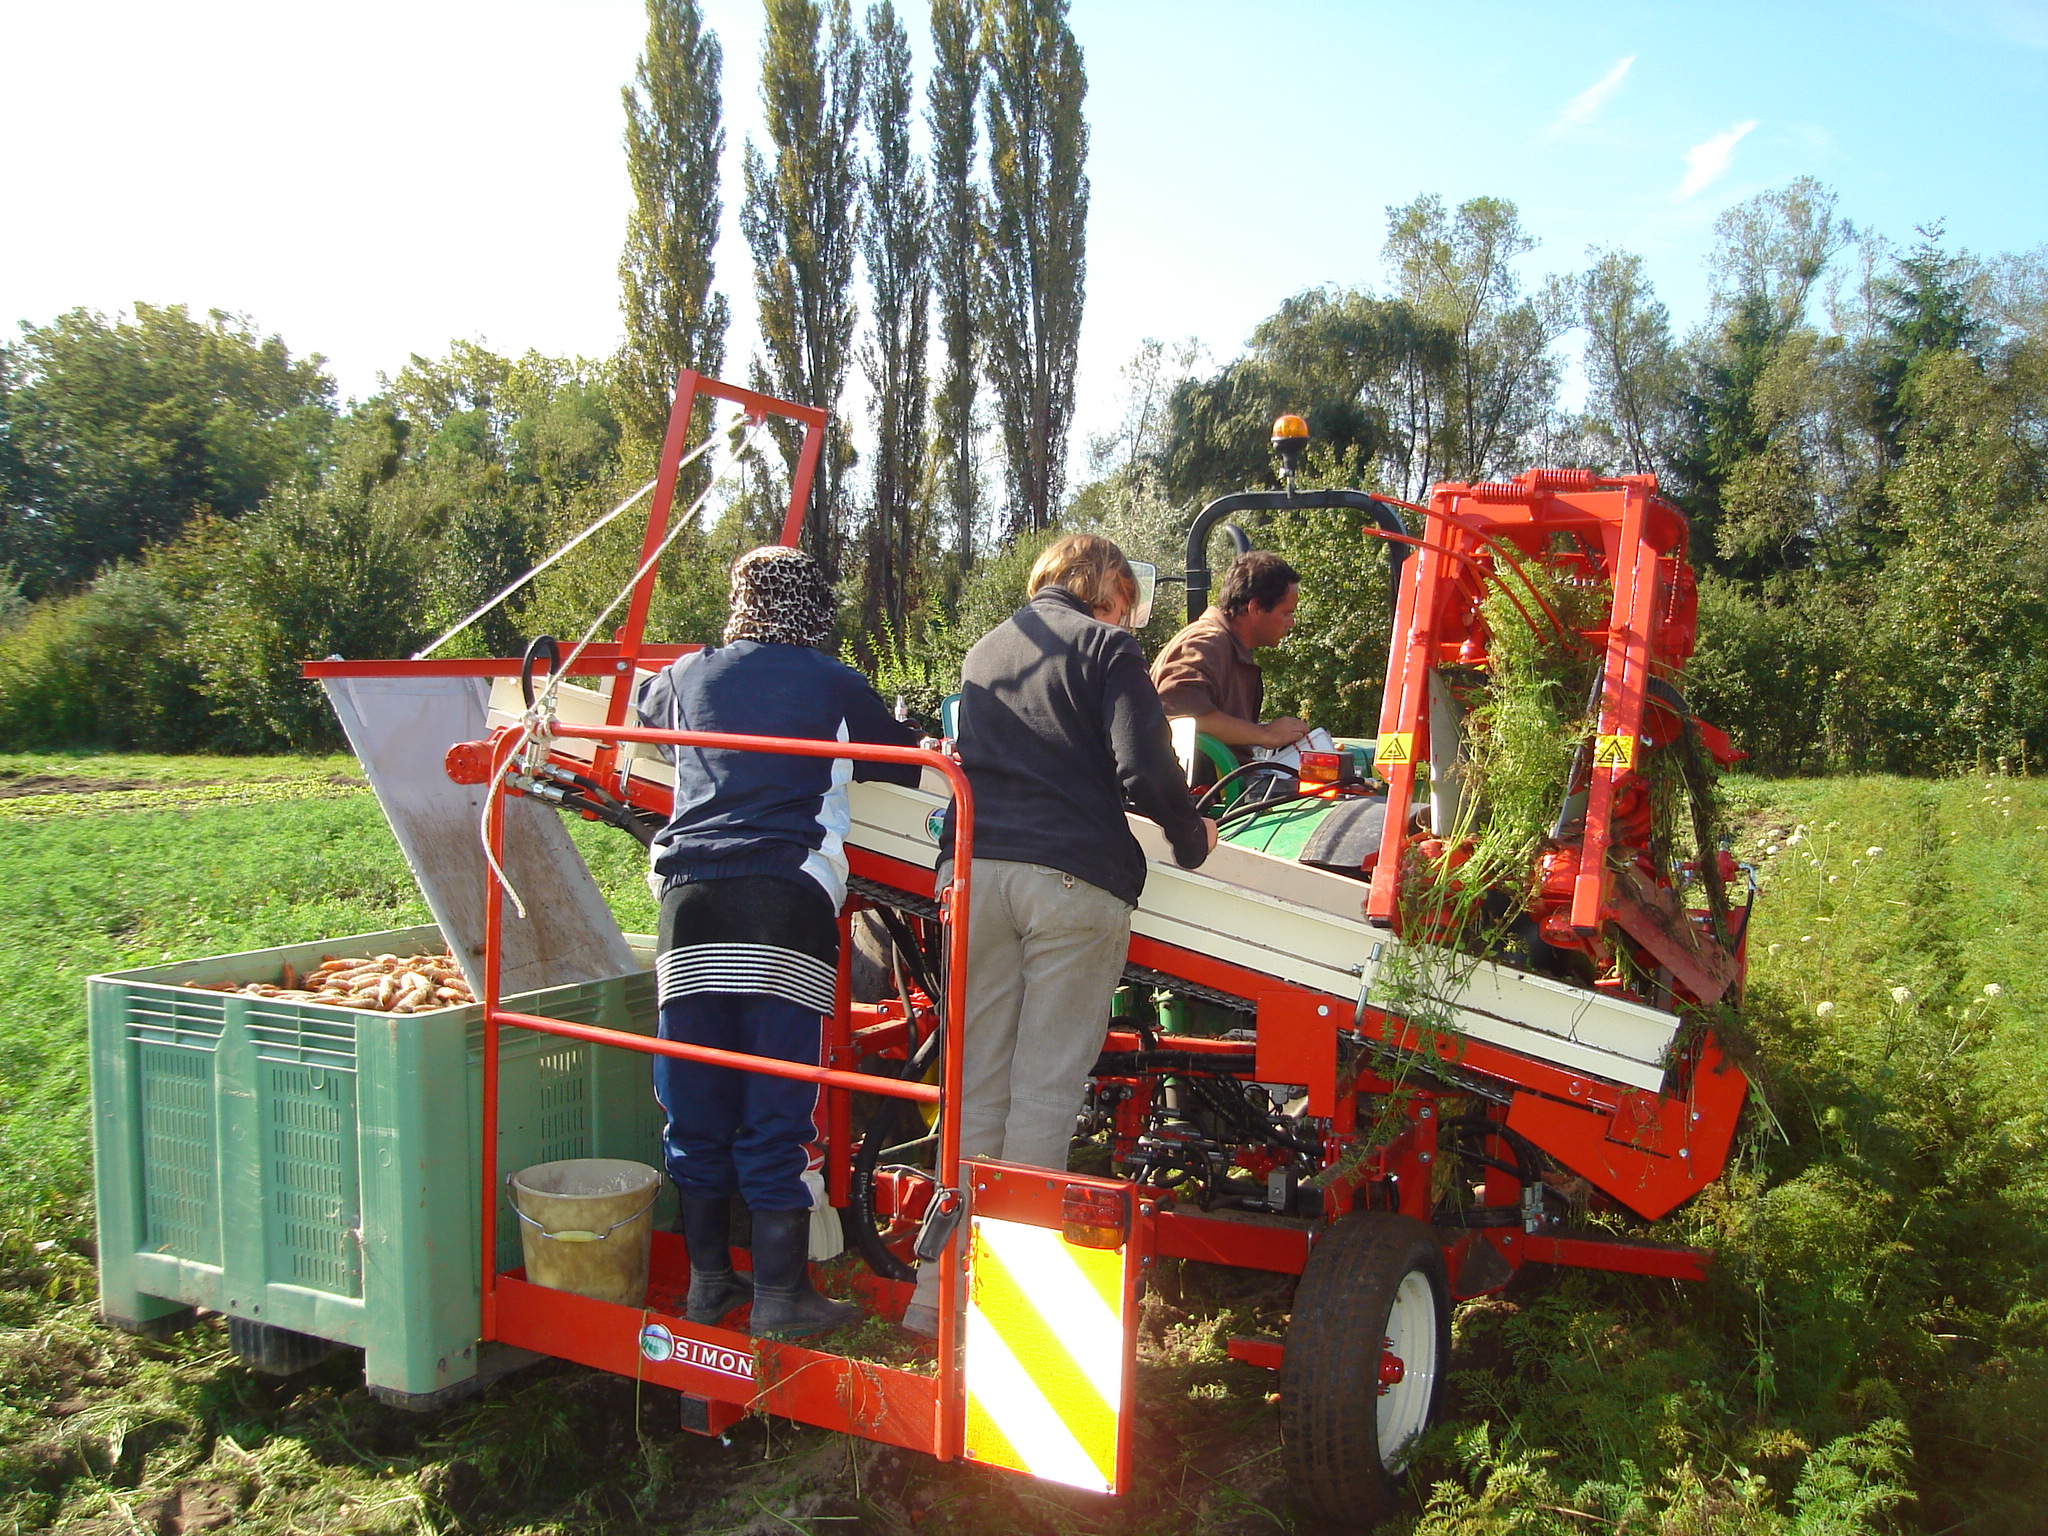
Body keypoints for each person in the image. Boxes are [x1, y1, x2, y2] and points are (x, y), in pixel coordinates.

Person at [905, 534, 1216, 1336]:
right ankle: (1007, 1315)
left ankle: (938, 1298)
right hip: (1071, 882)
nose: (1126, 614)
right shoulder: (1108, 648)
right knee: (1043, 1092)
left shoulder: (985, 649)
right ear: (1106, 586)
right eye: (1125, 598)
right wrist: (1191, 836)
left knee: (976, 1090)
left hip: (975, 875)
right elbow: (1144, 768)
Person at [637, 545, 920, 1339]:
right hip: (781, 902)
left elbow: (645, 722)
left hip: (689, 905)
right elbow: (905, 764)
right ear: (813, 606)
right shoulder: (833, 682)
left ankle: (707, 1285)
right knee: (775, 1105)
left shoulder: (684, 675)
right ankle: (783, 1296)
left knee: (694, 1103)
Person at [1150, 550, 1308, 759]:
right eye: (1286, 613)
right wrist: (1264, 734)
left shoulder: (1224, 645)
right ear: (1255, 608)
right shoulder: (1206, 643)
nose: (1291, 623)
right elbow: (1178, 714)